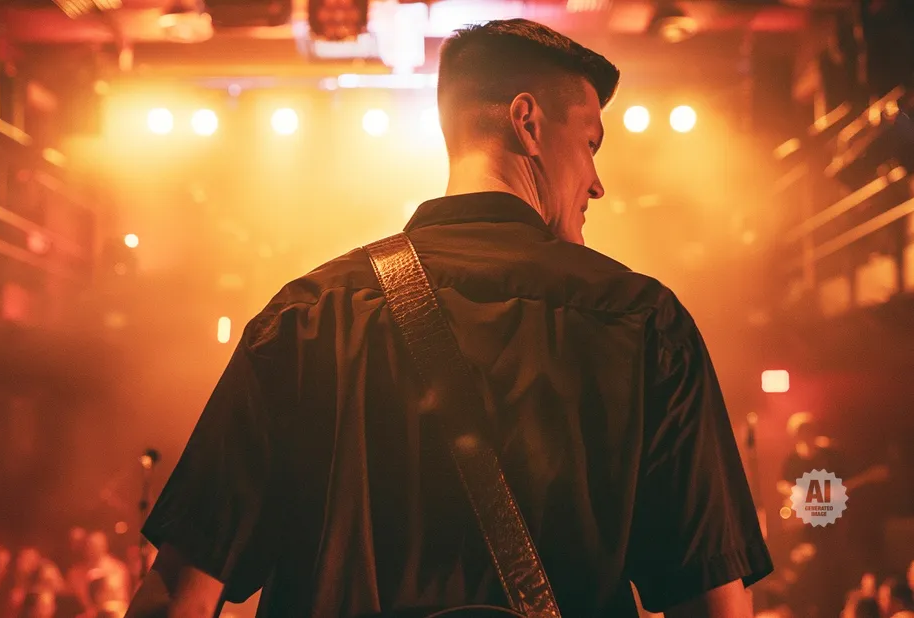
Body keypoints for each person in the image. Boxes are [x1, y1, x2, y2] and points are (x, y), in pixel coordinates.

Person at [125, 18, 772, 618]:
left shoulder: (306, 320)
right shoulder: (644, 325)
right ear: (528, 121)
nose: (597, 181)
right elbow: (709, 605)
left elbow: (177, 592)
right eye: (591, 143)